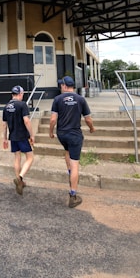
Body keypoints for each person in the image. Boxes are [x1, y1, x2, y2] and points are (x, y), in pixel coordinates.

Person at [49, 76, 95, 208]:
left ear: (64, 86)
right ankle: (73, 195)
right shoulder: (81, 99)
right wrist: (92, 128)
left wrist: (50, 132)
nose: (60, 87)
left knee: (67, 151)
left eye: (60, 85)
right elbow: (88, 119)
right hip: (74, 135)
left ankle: (70, 174)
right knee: (75, 164)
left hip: (62, 134)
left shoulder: (57, 99)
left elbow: (53, 120)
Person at [2, 85, 35, 195]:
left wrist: (5, 139)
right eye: (22, 94)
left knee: (17, 157)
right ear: (20, 94)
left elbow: (4, 124)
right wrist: (32, 135)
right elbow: (27, 121)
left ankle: (19, 182)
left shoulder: (6, 106)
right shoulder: (22, 105)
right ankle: (20, 178)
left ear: (12, 94)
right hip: (22, 136)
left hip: (13, 136)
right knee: (30, 157)